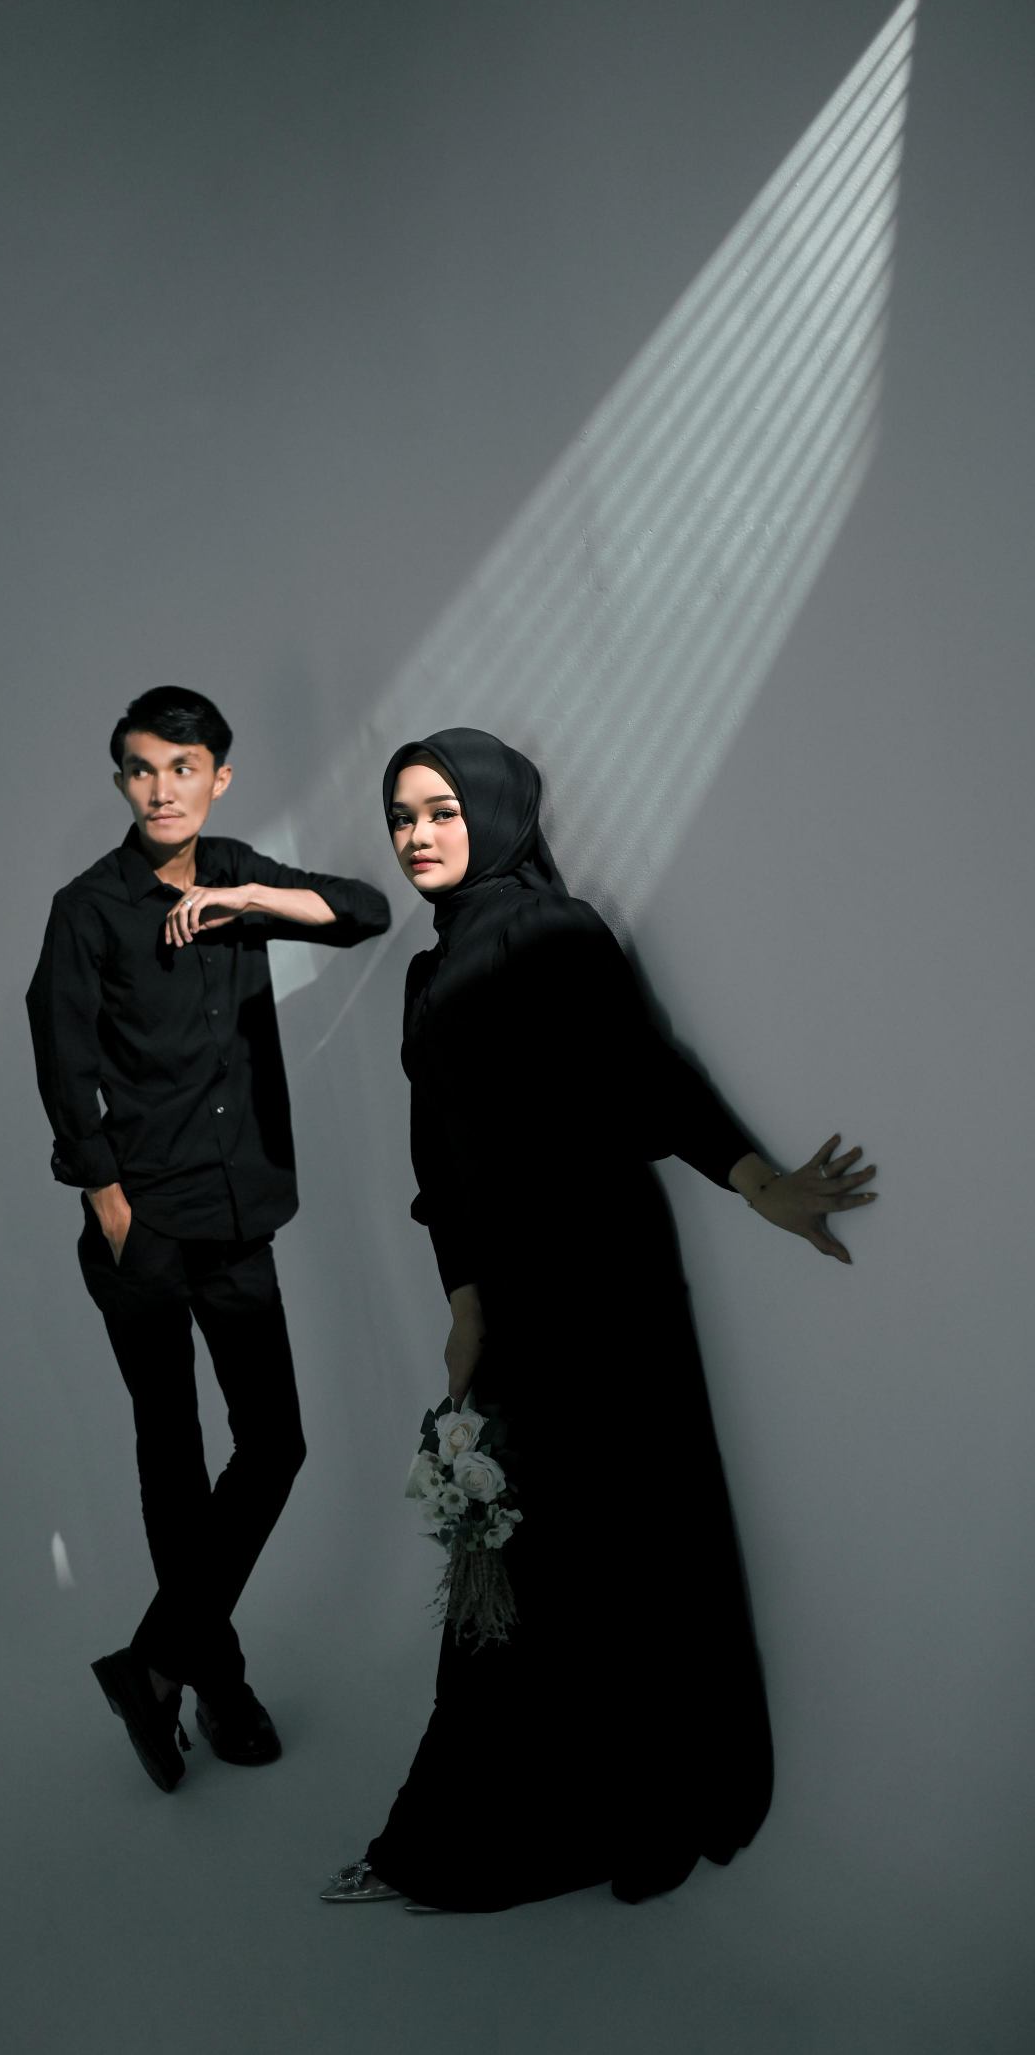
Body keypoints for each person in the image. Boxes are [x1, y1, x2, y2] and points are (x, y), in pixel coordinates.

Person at [320, 726, 879, 1912]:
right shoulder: (426, 973)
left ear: (494, 811)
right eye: (401, 817)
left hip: (602, 1274)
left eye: (439, 810)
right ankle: (516, 1816)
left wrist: (760, 1183)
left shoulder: (551, 930)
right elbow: (437, 1161)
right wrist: (462, 1298)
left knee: (633, 1533)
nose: (416, 835)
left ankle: (651, 1808)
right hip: (513, 1291)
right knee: (518, 1548)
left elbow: (647, 1075)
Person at [26, 686, 390, 1791]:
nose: (162, 788)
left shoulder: (235, 872)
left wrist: (247, 897)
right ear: (122, 781)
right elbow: (61, 1060)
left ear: (218, 779)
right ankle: (219, 1683)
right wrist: (109, 1203)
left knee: (273, 1443)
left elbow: (366, 911)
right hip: (142, 1229)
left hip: (238, 1219)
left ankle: (155, 1663)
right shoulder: (88, 908)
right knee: (174, 1458)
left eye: (183, 768)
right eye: (142, 768)